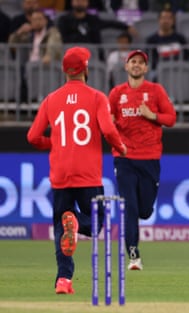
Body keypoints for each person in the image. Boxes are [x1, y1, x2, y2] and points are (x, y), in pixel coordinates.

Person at [26, 46, 127, 294]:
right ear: (85, 69)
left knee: (61, 227)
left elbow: (32, 136)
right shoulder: (96, 97)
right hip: (88, 173)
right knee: (95, 224)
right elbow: (108, 130)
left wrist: (54, 143)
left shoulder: (51, 99)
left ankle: (63, 280)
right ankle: (76, 222)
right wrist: (120, 147)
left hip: (60, 173)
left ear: (65, 72)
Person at [108, 49, 177, 270]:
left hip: (150, 158)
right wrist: (110, 125)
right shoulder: (117, 94)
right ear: (126, 67)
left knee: (144, 210)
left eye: (140, 62)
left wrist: (152, 116)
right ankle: (133, 254)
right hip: (124, 157)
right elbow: (108, 122)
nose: (136, 65)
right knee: (129, 207)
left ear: (146, 68)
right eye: (132, 62)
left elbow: (171, 119)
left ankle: (135, 244)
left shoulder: (156, 91)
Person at [57, 0, 137, 59]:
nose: (80, 2)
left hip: (92, 56)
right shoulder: (64, 20)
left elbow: (110, 23)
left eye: (82, 0)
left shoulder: (93, 20)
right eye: (77, 0)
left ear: (87, 2)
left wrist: (126, 27)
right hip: (72, 56)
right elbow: (62, 38)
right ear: (72, 2)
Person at [145, 8, 189, 79]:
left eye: (169, 18)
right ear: (159, 20)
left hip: (178, 70)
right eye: (163, 18)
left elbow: (186, 55)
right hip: (158, 71)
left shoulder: (180, 38)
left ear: (173, 21)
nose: (166, 21)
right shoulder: (151, 40)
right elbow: (150, 58)